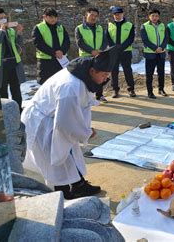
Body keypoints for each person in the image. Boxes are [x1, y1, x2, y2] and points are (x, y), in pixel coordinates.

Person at [22, 46, 121, 200]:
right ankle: (63, 192)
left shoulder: (83, 73)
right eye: (104, 75)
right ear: (93, 71)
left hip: (56, 116)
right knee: (56, 158)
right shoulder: (70, 87)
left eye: (108, 75)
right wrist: (85, 132)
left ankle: (78, 185)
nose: (106, 79)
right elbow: (65, 124)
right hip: (42, 121)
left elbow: (78, 109)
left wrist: (85, 128)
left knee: (69, 151)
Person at [75, 7, 107, 102]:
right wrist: (91, 51)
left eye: (96, 16)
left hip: (98, 56)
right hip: (86, 57)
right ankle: (86, 97)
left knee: (99, 76)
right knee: (86, 77)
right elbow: (80, 42)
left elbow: (105, 41)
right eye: (91, 15)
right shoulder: (79, 28)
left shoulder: (100, 28)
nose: (93, 17)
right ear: (86, 16)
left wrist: (101, 50)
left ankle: (99, 95)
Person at [0, 8, 26, 111]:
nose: (4, 20)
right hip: (0, 66)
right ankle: (5, 113)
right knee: (2, 91)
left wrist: (19, 33)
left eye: (5, 18)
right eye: (1, 18)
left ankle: (18, 111)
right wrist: (1, 31)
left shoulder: (10, 30)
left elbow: (18, 47)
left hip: (13, 64)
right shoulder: (1, 31)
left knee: (16, 90)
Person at [32, 7, 70, 84]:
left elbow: (67, 41)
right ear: (44, 17)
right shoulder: (38, 28)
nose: (53, 19)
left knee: (61, 82)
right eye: (51, 17)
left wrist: (62, 51)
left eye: (55, 17)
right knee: (46, 84)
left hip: (60, 59)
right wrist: (54, 52)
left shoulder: (61, 27)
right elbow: (38, 43)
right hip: (46, 61)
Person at [106, 6, 136, 98]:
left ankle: (131, 89)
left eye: (119, 14)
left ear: (123, 14)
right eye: (115, 14)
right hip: (114, 52)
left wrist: (122, 47)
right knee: (114, 71)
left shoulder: (129, 25)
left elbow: (131, 38)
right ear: (113, 15)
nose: (117, 16)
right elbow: (107, 38)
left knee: (127, 70)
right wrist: (114, 47)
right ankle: (115, 90)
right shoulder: (109, 25)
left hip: (125, 51)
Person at [141, 8, 168, 99]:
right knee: (149, 74)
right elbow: (145, 40)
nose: (155, 17)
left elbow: (166, 38)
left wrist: (162, 47)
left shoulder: (162, 25)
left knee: (161, 73)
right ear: (149, 17)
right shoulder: (144, 26)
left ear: (159, 16)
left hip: (161, 53)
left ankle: (161, 89)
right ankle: (150, 92)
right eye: (153, 16)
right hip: (150, 54)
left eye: (156, 16)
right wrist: (155, 48)